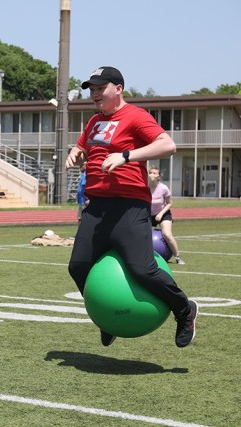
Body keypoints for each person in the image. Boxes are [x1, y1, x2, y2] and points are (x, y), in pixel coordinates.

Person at [65, 66, 197, 348]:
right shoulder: (93, 122)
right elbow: (82, 148)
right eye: (92, 89)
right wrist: (76, 153)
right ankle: (107, 317)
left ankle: (184, 309)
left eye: (101, 88)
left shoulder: (136, 116)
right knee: (77, 267)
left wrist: (126, 156)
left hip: (129, 207)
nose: (95, 94)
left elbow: (168, 145)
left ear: (119, 89)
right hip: (97, 206)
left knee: (143, 270)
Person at [149, 166, 185, 264]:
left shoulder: (163, 188)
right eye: (150, 172)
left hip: (163, 213)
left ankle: (177, 257)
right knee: (141, 234)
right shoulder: (144, 187)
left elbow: (170, 203)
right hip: (148, 214)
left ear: (159, 176)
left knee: (167, 234)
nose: (152, 175)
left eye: (155, 173)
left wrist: (160, 214)